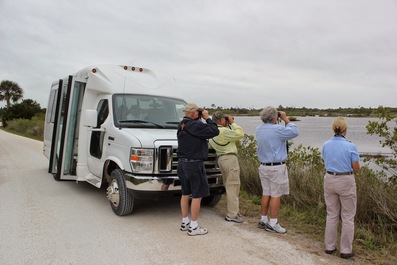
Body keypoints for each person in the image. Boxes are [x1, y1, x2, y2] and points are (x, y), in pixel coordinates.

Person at [177, 103, 219, 236]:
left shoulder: (181, 124)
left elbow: (196, 134)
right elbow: (214, 131)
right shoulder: (195, 125)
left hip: (182, 164)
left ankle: (185, 222)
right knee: (197, 195)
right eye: (198, 112)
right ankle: (194, 226)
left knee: (185, 193)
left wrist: (200, 119)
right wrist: (207, 118)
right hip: (194, 164)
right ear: (193, 113)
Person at [256, 106, 299, 234]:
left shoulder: (259, 129)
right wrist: (286, 119)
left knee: (266, 193)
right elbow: (295, 131)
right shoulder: (278, 130)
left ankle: (263, 219)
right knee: (276, 195)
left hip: (263, 166)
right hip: (276, 167)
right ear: (275, 117)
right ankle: (273, 222)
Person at [322, 117, 360, 259]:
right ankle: (345, 250)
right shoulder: (351, 146)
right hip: (345, 180)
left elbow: (325, 160)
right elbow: (356, 168)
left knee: (331, 214)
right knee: (348, 216)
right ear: (345, 129)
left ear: (333, 129)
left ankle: (329, 247)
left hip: (329, 178)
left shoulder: (326, 144)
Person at [209, 111, 245, 223]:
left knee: (229, 185)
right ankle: (232, 214)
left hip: (221, 159)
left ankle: (233, 211)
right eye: (225, 119)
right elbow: (240, 134)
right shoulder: (224, 131)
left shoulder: (211, 132)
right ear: (222, 120)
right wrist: (233, 123)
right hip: (230, 159)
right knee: (233, 186)